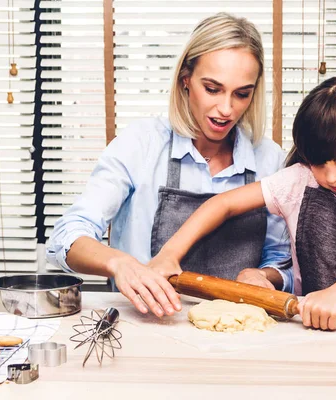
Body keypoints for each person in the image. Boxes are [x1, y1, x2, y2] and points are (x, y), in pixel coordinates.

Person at [46, 13, 292, 319]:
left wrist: (265, 276)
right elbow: (67, 236)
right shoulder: (141, 145)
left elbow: (281, 260)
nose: (226, 109)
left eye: (242, 93)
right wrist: (120, 264)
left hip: (237, 335)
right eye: (212, 89)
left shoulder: (270, 160)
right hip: (146, 328)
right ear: (185, 78)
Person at [148, 75, 336, 331]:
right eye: (318, 163)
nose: (332, 176)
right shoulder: (299, 181)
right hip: (312, 324)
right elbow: (223, 204)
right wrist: (170, 254)